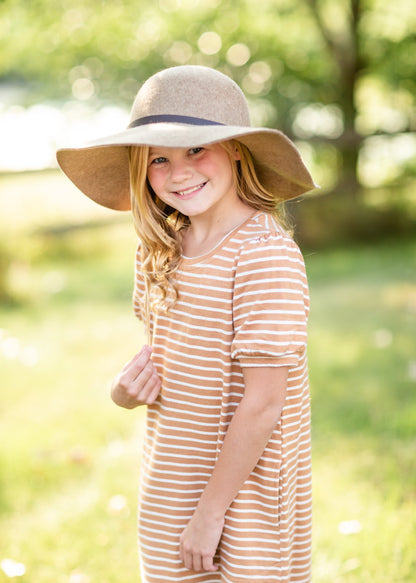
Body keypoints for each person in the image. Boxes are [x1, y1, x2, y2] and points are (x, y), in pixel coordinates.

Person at [57, 65, 317, 583]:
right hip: (172, 476)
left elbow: (264, 401)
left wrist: (211, 512)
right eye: (159, 158)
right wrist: (126, 391)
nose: (179, 172)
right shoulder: (160, 251)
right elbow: (168, 358)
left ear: (237, 150)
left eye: (197, 149)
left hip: (242, 493)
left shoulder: (263, 256)